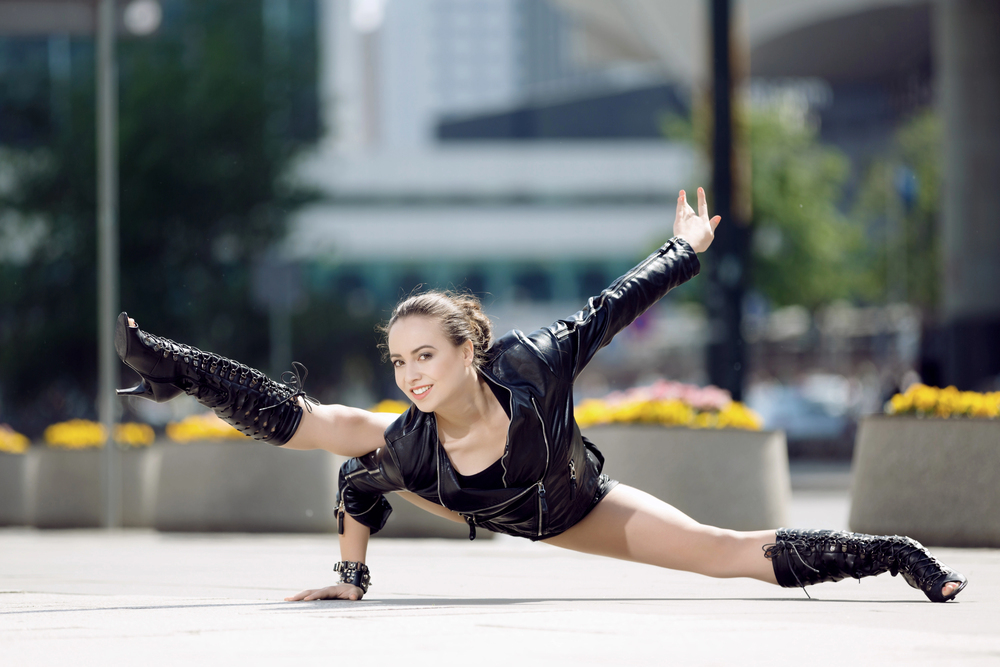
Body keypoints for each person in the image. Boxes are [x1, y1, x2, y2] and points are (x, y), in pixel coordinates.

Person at [115, 188, 966, 604]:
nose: (410, 374)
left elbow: (610, 309)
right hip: (461, 491)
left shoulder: (533, 365)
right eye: (399, 360)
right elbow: (336, 458)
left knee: (719, 548)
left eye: (426, 356)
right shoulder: (405, 441)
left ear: (467, 349)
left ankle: (895, 554)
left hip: (572, 501)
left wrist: (684, 248)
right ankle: (171, 366)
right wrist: (351, 574)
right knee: (341, 433)